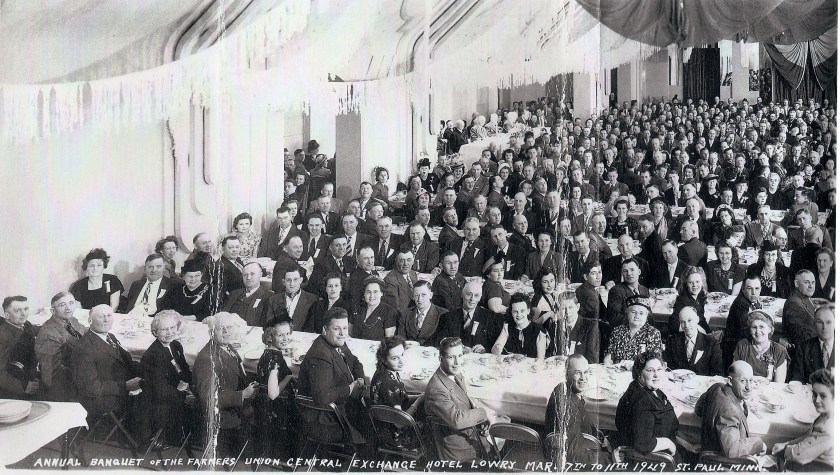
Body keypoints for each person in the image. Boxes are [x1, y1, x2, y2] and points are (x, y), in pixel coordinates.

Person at [424, 337, 509, 462]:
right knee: (505, 428)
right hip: (459, 446)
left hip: (469, 431)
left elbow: (464, 404)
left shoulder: (454, 374)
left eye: (460, 355)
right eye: (451, 357)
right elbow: (457, 420)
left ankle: (496, 459)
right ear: (440, 358)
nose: (458, 362)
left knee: (504, 419)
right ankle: (494, 463)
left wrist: (481, 420)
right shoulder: (436, 388)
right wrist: (484, 413)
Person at [297, 307, 367, 443]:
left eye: (345, 328)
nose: (342, 333)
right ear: (325, 329)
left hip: (342, 405)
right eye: (337, 329)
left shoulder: (337, 341)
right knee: (374, 424)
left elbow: (355, 362)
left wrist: (360, 379)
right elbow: (322, 396)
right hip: (325, 419)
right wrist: (351, 388)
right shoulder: (320, 355)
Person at [193, 312, 257, 457]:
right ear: (211, 332)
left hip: (237, 408)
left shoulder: (227, 348)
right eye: (220, 328)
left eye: (229, 327)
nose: (226, 332)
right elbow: (208, 398)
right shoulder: (207, 359)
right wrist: (242, 395)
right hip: (226, 417)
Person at [694, 361, 774, 465]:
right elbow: (732, 450)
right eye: (743, 381)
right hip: (723, 465)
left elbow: (698, 410)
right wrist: (759, 444)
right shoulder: (730, 411)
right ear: (730, 381)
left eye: (751, 380)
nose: (749, 387)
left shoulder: (715, 387)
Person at [71, 304, 142, 415]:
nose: (106, 320)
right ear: (90, 320)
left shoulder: (110, 337)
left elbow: (127, 363)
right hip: (102, 398)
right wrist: (125, 386)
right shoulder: (84, 348)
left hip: (119, 385)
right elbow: (91, 387)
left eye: (109, 315)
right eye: (101, 317)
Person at [544, 354, 610, 465]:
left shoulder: (562, 387)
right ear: (566, 374)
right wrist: (610, 459)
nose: (583, 378)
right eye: (577, 373)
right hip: (569, 461)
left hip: (578, 441)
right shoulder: (568, 407)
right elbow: (573, 453)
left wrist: (596, 434)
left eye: (586, 372)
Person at [614, 351, 680, 460]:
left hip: (665, 450)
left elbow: (666, 425)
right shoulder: (642, 402)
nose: (656, 375)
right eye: (650, 371)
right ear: (639, 372)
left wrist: (686, 445)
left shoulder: (649, 389)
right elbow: (643, 444)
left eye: (659, 369)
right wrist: (669, 443)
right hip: (657, 461)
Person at [140, 311, 192, 446]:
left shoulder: (176, 346)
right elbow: (161, 391)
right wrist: (183, 392)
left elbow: (185, 370)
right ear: (155, 332)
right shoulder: (152, 356)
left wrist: (189, 385)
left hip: (176, 390)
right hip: (160, 402)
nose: (169, 332)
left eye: (172, 328)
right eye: (164, 329)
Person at [771, 368, 834, 471]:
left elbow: (799, 455)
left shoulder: (830, 426)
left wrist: (784, 449)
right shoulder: (824, 415)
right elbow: (807, 437)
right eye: (814, 394)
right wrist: (786, 444)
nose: (817, 400)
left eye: (823, 396)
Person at [369, 336, 426, 448]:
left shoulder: (385, 371)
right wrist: (417, 402)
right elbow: (399, 423)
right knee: (431, 425)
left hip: (387, 424)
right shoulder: (389, 383)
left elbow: (399, 397)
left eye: (402, 355)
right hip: (394, 435)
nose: (401, 361)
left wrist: (419, 397)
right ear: (384, 359)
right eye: (395, 358)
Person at [35, 292, 88, 401]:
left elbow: (83, 331)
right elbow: (51, 372)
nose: (68, 308)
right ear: (52, 311)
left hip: (79, 369)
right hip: (65, 384)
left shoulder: (71, 320)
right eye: (62, 305)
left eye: (71, 303)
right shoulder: (49, 333)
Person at [254, 319, 295, 456]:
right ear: (270, 338)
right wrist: (289, 377)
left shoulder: (268, 353)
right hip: (276, 410)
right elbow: (272, 394)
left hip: (264, 406)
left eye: (287, 334)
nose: (286, 338)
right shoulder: (275, 361)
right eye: (280, 335)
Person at [433, 281, 500, 353]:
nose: (472, 299)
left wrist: (486, 348)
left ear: (480, 298)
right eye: (469, 294)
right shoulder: (447, 317)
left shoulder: (489, 317)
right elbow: (439, 341)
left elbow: (496, 344)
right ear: (462, 294)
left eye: (476, 296)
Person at [0, 296, 40, 399]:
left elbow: (33, 329)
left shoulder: (25, 324)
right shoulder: (3, 337)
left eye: (26, 309)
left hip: (30, 372)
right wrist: (24, 386)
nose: (23, 314)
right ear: (7, 315)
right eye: (18, 310)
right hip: (15, 384)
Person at [664, 307, 723, 376]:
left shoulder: (711, 343)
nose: (686, 326)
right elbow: (669, 370)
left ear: (697, 319)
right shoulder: (671, 342)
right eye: (682, 322)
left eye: (689, 320)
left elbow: (717, 374)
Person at [732, 311, 789, 382]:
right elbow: (734, 376)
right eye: (754, 327)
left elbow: (779, 384)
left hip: (769, 391)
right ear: (750, 330)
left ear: (770, 329)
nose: (758, 331)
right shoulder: (743, 346)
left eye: (761, 327)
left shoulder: (779, 350)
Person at [604, 296, 662, 364]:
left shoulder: (653, 333)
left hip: (640, 372)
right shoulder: (617, 331)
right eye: (633, 312)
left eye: (641, 313)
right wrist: (607, 361)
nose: (637, 316)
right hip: (617, 371)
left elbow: (653, 361)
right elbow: (610, 354)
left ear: (646, 315)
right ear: (627, 313)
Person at [544, 293, 600, 363]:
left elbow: (592, 359)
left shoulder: (590, 326)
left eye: (570, 307)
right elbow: (550, 353)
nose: (567, 312)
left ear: (577, 307)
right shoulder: (555, 325)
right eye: (564, 308)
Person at [491, 293, 547, 359]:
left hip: (531, 368)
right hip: (511, 366)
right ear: (511, 312)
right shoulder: (507, 327)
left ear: (528, 311)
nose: (519, 315)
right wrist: (497, 349)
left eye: (522, 311)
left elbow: (540, 360)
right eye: (515, 311)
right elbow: (494, 351)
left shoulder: (539, 331)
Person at [790, 306, 835, 382]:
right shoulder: (803, 348)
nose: (824, 327)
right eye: (820, 322)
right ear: (814, 325)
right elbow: (797, 380)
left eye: (828, 322)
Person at [221, 262, 273, 326]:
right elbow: (222, 316)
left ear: (260, 274)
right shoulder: (234, 294)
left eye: (252, 274)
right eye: (245, 275)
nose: (248, 278)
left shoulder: (269, 297)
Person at [396, 281, 445, 346]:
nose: (419, 299)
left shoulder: (443, 314)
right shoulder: (405, 314)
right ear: (413, 297)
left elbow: (442, 341)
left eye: (423, 295)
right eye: (416, 295)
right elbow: (400, 339)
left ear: (430, 295)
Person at [668, 266, 712, 334]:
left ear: (702, 282)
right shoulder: (683, 301)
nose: (695, 285)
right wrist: (696, 327)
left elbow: (702, 320)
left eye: (697, 282)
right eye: (691, 282)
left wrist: (709, 333)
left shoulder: (700, 296)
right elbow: (673, 325)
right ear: (686, 284)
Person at [783, 270, 819, 348]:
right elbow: (800, 338)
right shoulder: (794, 304)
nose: (811, 286)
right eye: (806, 282)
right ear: (796, 284)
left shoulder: (804, 297)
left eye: (813, 282)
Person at [382, 248, 419, 314]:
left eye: (409, 260)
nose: (406, 264)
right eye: (401, 260)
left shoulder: (413, 273)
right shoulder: (390, 281)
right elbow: (395, 310)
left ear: (413, 261)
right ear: (396, 261)